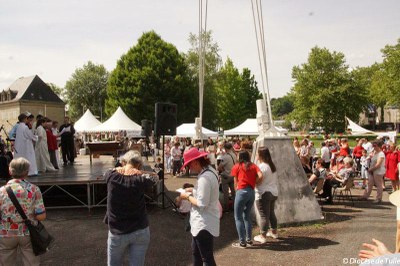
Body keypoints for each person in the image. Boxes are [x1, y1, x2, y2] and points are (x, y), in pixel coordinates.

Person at [103, 150, 159, 266]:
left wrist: (117, 169)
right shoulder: (141, 179)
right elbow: (156, 177)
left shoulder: (112, 176)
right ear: (138, 165)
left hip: (117, 232)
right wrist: (140, 172)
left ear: (123, 162)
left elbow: (106, 173)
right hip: (140, 230)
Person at [0, 157, 46, 266]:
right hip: (28, 232)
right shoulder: (34, 189)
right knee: (31, 261)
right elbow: (41, 216)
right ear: (27, 172)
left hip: (6, 232)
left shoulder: (1, 191)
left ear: (10, 171)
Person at [179, 148, 220, 266]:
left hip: (203, 223)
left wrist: (186, 196)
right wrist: (192, 189)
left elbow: (202, 203)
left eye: (189, 165)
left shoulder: (204, 178)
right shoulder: (210, 170)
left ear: (195, 162)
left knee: (206, 258)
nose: (189, 169)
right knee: (197, 253)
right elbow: (206, 192)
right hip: (204, 221)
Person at [231, 150, 262, 248]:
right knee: (247, 216)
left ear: (240, 157)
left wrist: (237, 191)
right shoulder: (253, 166)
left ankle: (242, 242)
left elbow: (235, 181)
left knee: (238, 217)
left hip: (241, 191)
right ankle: (249, 240)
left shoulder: (237, 166)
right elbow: (261, 175)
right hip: (251, 192)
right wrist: (254, 181)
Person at [254, 147, 279, 244]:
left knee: (264, 215)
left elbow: (258, 181)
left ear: (260, 155)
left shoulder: (262, 166)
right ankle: (274, 232)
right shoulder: (271, 165)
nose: (256, 155)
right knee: (271, 213)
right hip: (273, 192)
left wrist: (253, 183)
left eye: (257, 153)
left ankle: (263, 236)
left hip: (263, 193)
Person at [218, 142, 237, 212]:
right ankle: (234, 206)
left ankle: (226, 208)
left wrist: (223, 169)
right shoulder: (234, 155)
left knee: (225, 193)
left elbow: (219, 167)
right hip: (233, 176)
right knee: (233, 192)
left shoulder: (225, 157)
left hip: (226, 176)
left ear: (225, 149)